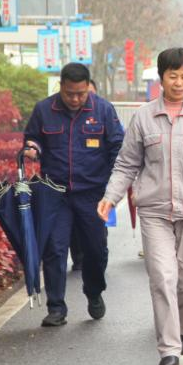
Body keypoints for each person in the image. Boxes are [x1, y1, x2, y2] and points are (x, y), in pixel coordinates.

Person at [97, 48, 183, 365]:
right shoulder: (144, 117)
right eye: (173, 76)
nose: (180, 82)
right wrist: (111, 196)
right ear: (162, 77)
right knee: (162, 277)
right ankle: (169, 347)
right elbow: (127, 163)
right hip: (154, 211)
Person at [23, 63, 124, 327]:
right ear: (61, 87)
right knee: (54, 250)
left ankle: (94, 291)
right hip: (55, 194)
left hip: (92, 194)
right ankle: (56, 308)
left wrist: (114, 185)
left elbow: (117, 147)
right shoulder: (44, 110)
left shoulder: (103, 110)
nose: (76, 99)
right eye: (70, 93)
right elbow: (32, 137)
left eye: (81, 93)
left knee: (96, 250)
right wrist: (32, 147)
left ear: (88, 87)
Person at [67, 79, 100, 273]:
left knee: (95, 229)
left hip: (95, 185)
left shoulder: (103, 114)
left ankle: (95, 259)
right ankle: (78, 258)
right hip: (70, 186)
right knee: (72, 225)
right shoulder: (66, 117)